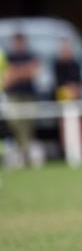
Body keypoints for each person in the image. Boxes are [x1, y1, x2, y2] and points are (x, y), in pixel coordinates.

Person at [3, 32, 40, 167]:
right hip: (14, 96)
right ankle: (22, 152)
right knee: (15, 124)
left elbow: (34, 71)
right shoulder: (9, 56)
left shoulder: (30, 55)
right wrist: (24, 71)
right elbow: (7, 78)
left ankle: (25, 152)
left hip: (28, 95)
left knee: (28, 125)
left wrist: (16, 73)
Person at [54, 37, 82, 157]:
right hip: (63, 100)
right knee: (64, 125)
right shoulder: (58, 65)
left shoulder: (76, 64)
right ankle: (68, 152)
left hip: (76, 99)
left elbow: (80, 83)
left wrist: (75, 90)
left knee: (80, 124)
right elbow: (58, 84)